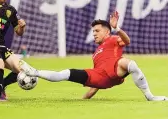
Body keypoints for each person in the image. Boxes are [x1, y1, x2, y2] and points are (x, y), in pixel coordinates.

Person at [23, 11, 167, 101]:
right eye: (93, 32)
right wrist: (86, 97)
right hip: (101, 77)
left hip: (116, 70)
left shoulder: (113, 39)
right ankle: (35, 72)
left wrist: (117, 28)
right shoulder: (96, 54)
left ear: (106, 32)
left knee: (130, 63)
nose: (94, 34)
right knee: (67, 73)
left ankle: (150, 96)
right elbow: (97, 80)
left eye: (97, 31)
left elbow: (127, 41)